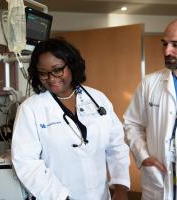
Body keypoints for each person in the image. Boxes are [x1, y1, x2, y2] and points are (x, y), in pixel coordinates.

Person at [11, 38, 130, 200]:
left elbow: (116, 147)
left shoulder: (98, 99)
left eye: (57, 70)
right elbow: (27, 163)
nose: (51, 78)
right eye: (43, 73)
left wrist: (121, 188)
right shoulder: (30, 109)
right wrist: (61, 197)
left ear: (71, 65)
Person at [123, 19, 177, 200]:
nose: (167, 51)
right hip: (160, 180)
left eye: (175, 45)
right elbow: (131, 123)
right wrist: (143, 155)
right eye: (165, 44)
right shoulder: (150, 83)